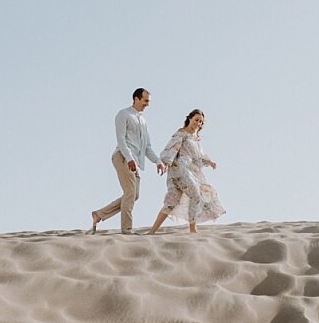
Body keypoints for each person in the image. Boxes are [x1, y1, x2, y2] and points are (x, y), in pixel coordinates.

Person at [90, 87, 167, 234]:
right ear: (136, 99)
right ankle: (127, 230)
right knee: (130, 193)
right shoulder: (123, 114)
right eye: (145, 101)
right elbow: (121, 140)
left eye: (149, 101)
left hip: (134, 162)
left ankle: (99, 214)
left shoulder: (143, 121)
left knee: (133, 195)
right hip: (123, 157)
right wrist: (130, 158)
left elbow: (147, 148)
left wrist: (158, 161)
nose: (147, 104)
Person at [149, 109, 225, 235]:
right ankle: (192, 229)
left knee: (173, 201)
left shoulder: (196, 139)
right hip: (180, 169)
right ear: (189, 119)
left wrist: (209, 162)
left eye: (201, 122)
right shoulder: (181, 133)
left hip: (191, 171)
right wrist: (166, 163)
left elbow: (198, 157)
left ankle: (153, 232)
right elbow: (172, 149)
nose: (198, 123)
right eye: (196, 120)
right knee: (192, 195)